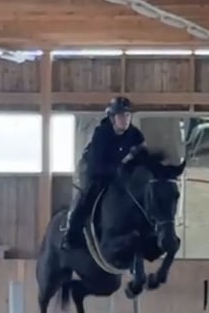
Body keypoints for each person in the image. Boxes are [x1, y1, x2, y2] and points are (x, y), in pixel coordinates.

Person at [61, 96, 146, 249]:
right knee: (87, 195)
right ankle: (70, 233)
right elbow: (97, 164)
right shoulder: (101, 133)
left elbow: (142, 156)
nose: (125, 120)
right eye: (121, 116)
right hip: (93, 170)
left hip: (120, 174)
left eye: (128, 115)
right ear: (112, 118)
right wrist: (118, 169)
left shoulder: (136, 135)